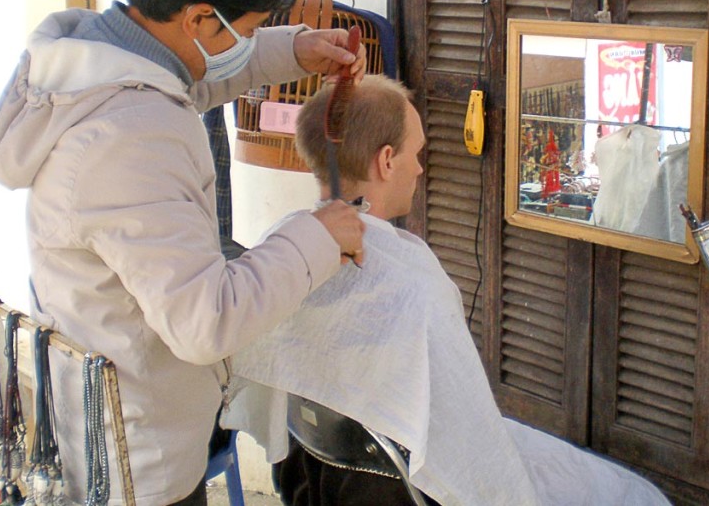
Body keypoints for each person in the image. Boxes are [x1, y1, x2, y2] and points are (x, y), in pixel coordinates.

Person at [0, 0, 366, 506]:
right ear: (198, 18)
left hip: (111, 407)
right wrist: (319, 233)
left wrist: (291, 50)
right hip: (137, 460)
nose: (251, 39)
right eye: (246, 29)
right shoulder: (128, 138)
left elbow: (189, 76)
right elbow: (205, 322)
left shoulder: (94, 69)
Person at [222, 75, 671, 506]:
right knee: (628, 494)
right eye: (416, 152)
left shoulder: (282, 247)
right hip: (396, 489)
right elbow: (474, 446)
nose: (419, 167)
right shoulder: (412, 279)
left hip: (317, 480)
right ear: (385, 161)